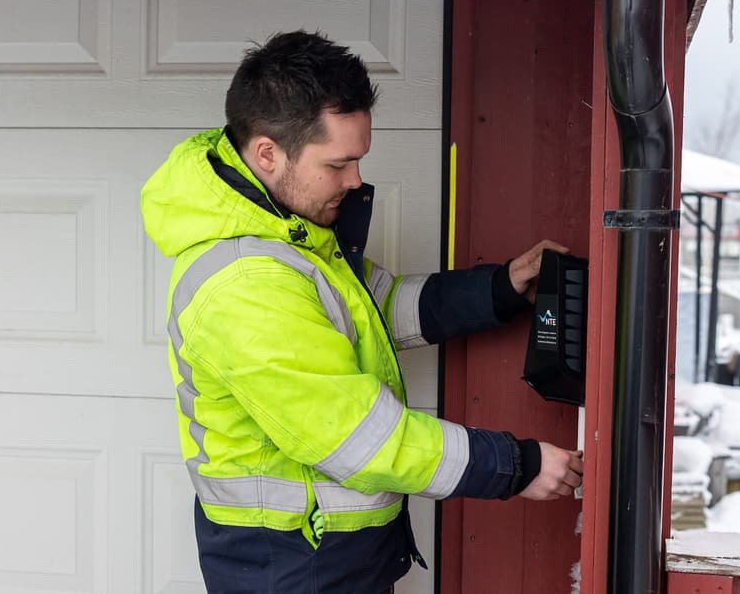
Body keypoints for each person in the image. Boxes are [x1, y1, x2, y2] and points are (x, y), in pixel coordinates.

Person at [141, 30, 583, 594]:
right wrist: (514, 465)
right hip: (294, 566)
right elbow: (362, 439)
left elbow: (377, 307)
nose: (355, 181)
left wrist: (500, 288)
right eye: (339, 163)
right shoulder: (246, 285)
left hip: (330, 558)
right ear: (268, 153)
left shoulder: (291, 233)